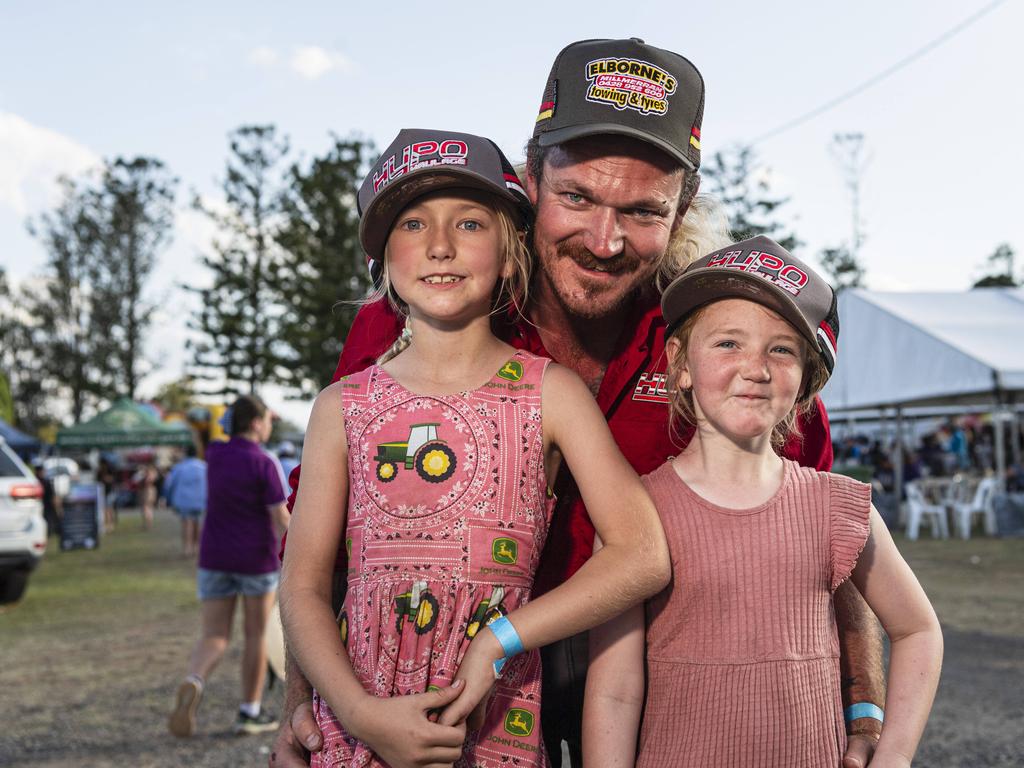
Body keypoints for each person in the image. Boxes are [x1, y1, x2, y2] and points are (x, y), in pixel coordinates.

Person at [272, 38, 886, 768]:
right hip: (456, 672)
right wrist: (306, 705)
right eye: (577, 198)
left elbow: (822, 527)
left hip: (657, 670)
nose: (604, 240)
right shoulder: (416, 319)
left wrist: (865, 703)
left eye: (642, 211)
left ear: (685, 204)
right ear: (532, 179)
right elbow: (329, 533)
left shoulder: (724, 332)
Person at [279, 128, 671, 768]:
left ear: (513, 255)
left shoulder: (551, 393)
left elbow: (642, 554)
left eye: (468, 223)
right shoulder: (340, 406)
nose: (439, 245)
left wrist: (501, 639)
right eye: (412, 224)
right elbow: (303, 583)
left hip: (494, 727)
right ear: (381, 263)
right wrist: (356, 712)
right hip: (358, 728)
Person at [583, 236, 943, 766]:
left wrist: (893, 756)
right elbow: (614, 690)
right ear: (679, 363)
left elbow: (918, 630)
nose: (756, 367)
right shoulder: (634, 513)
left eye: (781, 348)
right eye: (728, 343)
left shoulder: (841, 506)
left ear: (805, 381)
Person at [168, 394, 290, 738]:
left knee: (214, 635)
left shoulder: (216, 455)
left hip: (214, 557)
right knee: (255, 636)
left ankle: (194, 679)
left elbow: (204, 433)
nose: (269, 425)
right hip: (255, 560)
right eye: (267, 419)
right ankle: (248, 712)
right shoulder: (265, 463)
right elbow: (281, 517)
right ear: (255, 423)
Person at [163, 444, 207, 557]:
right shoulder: (204, 466)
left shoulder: (180, 467)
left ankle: (187, 548)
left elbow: (169, 484)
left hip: (183, 500)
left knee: (186, 523)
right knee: (198, 522)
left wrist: (168, 498)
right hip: (201, 499)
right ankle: (197, 548)